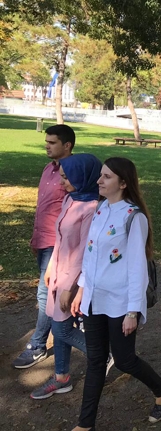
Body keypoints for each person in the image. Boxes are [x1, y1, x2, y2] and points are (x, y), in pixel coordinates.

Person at [70, 157, 161, 430]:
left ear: (123, 183)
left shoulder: (133, 217)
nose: (99, 181)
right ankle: (85, 425)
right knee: (95, 361)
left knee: (125, 360)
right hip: (94, 300)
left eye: (106, 177)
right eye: (100, 175)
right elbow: (91, 256)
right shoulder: (101, 208)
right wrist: (82, 289)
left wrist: (133, 311)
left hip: (120, 303)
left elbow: (138, 268)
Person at [30, 154, 106, 400]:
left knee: (61, 330)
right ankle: (61, 377)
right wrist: (51, 266)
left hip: (73, 277)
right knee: (58, 325)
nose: (62, 182)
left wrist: (70, 287)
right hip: (58, 272)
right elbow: (60, 238)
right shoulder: (71, 198)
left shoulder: (91, 209)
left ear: (82, 176)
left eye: (66, 177)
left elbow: (84, 252)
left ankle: (102, 354)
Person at [13, 124, 73, 369]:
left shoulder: (72, 173)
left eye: (52, 142)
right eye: (46, 141)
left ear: (67, 145)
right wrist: (35, 237)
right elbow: (44, 207)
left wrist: (59, 247)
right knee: (51, 295)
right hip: (43, 240)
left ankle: (37, 345)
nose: (47, 146)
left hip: (57, 244)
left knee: (45, 294)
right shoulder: (48, 169)